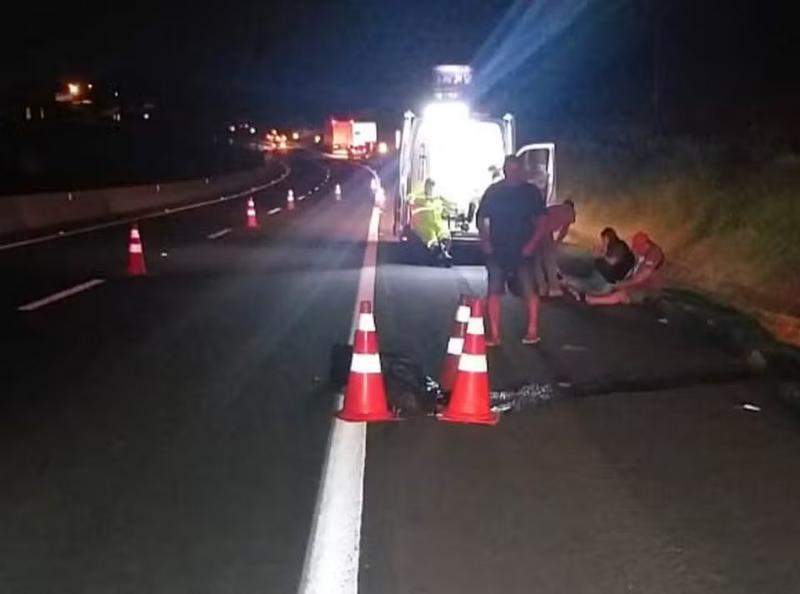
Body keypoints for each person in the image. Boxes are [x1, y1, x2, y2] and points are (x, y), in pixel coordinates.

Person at [476, 155, 547, 346]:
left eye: (516, 169)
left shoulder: (531, 193)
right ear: (504, 170)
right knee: (494, 291)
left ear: (521, 170)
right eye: (509, 169)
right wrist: (485, 241)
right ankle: (495, 334)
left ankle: (532, 330)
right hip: (497, 249)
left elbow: (542, 222)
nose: (513, 173)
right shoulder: (494, 191)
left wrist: (532, 244)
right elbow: (481, 218)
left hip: (524, 249)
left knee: (529, 290)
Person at [583, 231, 665, 305]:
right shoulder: (641, 254)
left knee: (622, 294)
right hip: (637, 283)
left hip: (648, 288)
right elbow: (633, 271)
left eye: (637, 247)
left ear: (645, 245)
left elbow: (641, 277)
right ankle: (593, 294)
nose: (635, 250)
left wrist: (624, 284)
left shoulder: (654, 253)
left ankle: (591, 300)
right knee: (614, 287)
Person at [562, 227, 635, 299]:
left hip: (611, 275)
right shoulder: (613, 246)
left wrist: (601, 255)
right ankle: (569, 275)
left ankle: (569, 279)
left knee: (589, 265)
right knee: (588, 260)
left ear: (608, 237)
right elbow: (607, 257)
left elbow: (612, 262)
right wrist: (601, 250)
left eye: (603, 239)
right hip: (608, 272)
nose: (603, 241)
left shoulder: (620, 246)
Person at [534, 199, 575, 297]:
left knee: (537, 261)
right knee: (550, 261)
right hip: (542, 231)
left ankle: (542, 288)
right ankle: (554, 288)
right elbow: (564, 230)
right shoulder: (569, 212)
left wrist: (554, 242)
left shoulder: (554, 209)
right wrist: (557, 243)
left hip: (534, 230)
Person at [408, 178, 453, 263]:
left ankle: (445, 253)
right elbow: (410, 199)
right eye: (428, 186)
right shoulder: (418, 196)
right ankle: (437, 254)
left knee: (445, 235)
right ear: (425, 186)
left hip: (437, 222)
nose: (430, 189)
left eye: (432, 187)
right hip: (424, 224)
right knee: (432, 240)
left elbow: (448, 206)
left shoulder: (437, 198)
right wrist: (417, 199)